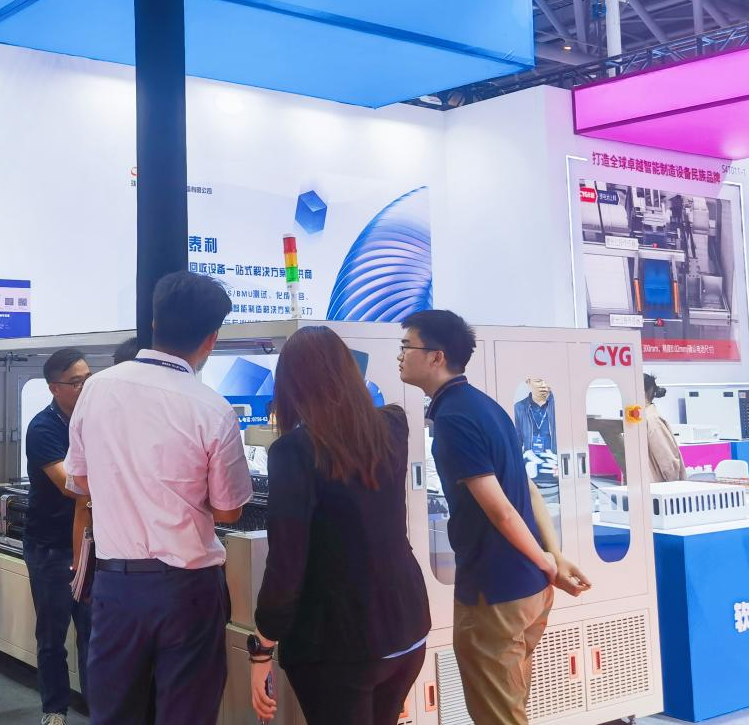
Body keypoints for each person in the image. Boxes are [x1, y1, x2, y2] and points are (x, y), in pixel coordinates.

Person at [66, 271, 253, 725]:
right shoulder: (213, 408)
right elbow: (229, 509)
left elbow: (80, 481)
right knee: (186, 713)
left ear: (154, 322)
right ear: (210, 339)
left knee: (114, 713)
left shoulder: (97, 388)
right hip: (188, 589)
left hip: (116, 584)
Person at [398, 310, 590, 725]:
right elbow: (527, 489)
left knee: (498, 716)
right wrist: (551, 556)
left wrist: (548, 561)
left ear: (436, 356)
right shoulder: (486, 407)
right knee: (510, 705)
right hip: (528, 588)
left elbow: (501, 510)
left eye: (406, 346)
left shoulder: (454, 419)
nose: (400, 355)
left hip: (496, 592)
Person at [249, 326, 429, 725]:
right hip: (406, 626)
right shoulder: (393, 426)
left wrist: (262, 647)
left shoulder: (294, 452)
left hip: (339, 641)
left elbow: (286, 563)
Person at [24, 348, 94, 725]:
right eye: (76, 382)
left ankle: (99, 709)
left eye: (88, 378)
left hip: (91, 545)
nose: (85, 387)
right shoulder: (44, 428)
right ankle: (54, 709)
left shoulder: (97, 420)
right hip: (51, 547)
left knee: (93, 633)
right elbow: (69, 485)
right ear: (55, 388)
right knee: (52, 635)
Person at [644, 374, 687, 483]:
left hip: (660, 487)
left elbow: (668, 462)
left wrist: (672, 486)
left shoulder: (652, 420)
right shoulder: (640, 417)